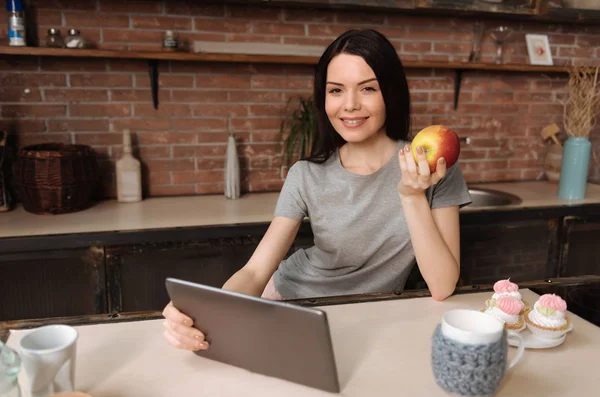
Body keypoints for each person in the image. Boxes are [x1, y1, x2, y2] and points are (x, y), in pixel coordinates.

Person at [162, 29, 471, 351]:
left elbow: (442, 286)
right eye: (336, 90)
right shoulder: (306, 175)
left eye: (368, 88)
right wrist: (207, 312)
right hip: (293, 301)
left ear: (390, 93)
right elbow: (255, 272)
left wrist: (411, 196)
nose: (349, 105)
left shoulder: (430, 167)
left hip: (369, 313)